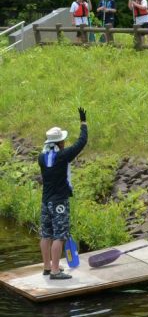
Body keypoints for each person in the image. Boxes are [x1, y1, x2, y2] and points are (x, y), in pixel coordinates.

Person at [38, 108, 88, 281]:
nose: (65, 143)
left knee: (46, 235)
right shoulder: (63, 156)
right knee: (60, 236)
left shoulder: (41, 158)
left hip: (45, 201)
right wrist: (83, 123)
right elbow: (81, 142)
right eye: (63, 140)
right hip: (59, 201)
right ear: (60, 142)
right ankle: (55, 271)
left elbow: (49, 153)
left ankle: (46, 267)